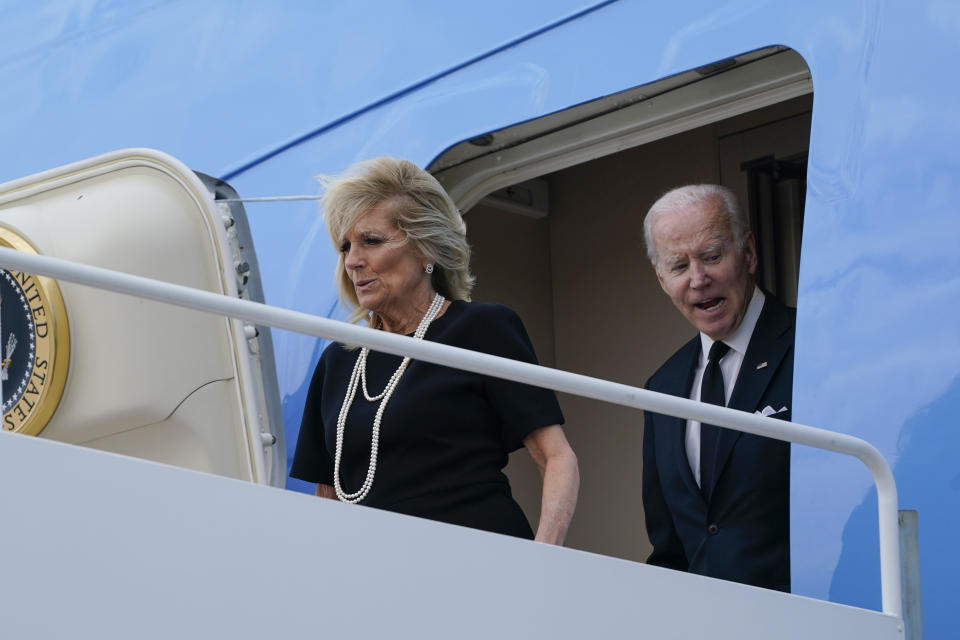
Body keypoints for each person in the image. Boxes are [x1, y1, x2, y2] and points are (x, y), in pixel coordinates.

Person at [291, 157, 579, 544]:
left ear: (427, 249)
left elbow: (556, 457)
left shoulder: (482, 328)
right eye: (345, 246)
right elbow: (327, 495)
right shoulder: (338, 360)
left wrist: (544, 559)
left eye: (371, 241)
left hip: (478, 560)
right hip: (377, 573)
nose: (353, 261)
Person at [641, 184, 793, 591]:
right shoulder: (662, 388)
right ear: (661, 279)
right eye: (678, 266)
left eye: (711, 257)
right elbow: (670, 549)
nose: (698, 279)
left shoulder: (813, 345)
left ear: (749, 253)